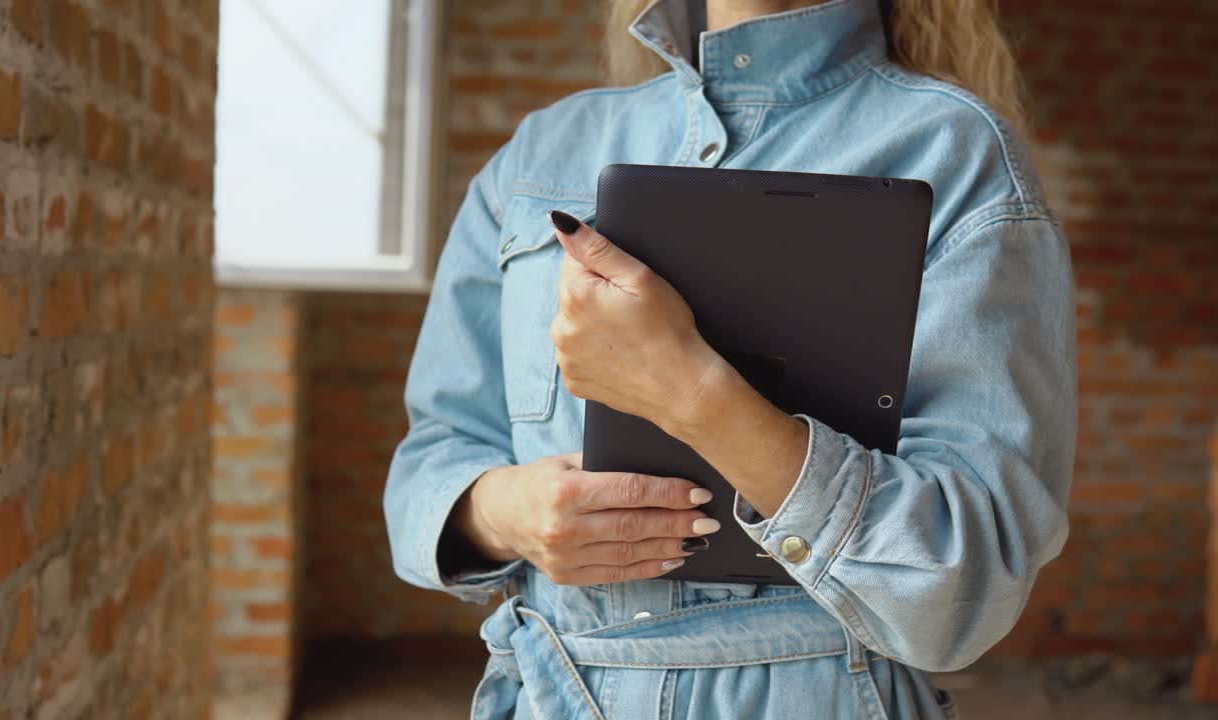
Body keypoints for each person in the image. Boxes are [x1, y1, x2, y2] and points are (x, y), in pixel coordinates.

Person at [384, 0, 1075, 717]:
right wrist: (504, 512)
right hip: (549, 687)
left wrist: (692, 396)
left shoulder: (955, 152)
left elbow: (965, 591)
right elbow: (431, 455)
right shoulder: (543, 150)